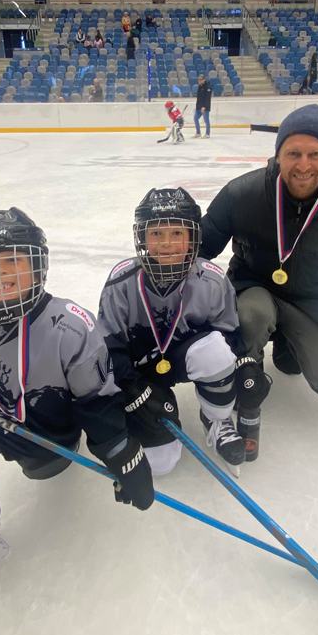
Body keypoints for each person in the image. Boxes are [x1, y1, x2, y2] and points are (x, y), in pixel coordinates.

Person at [0, 208, 154, 599]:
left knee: (45, 469)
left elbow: (97, 401)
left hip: (46, 430)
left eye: (12, 261)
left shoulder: (69, 325)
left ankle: (37, 458)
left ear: (37, 267)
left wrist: (121, 451)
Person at [199, 104, 318, 412]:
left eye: (315, 154)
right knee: (251, 314)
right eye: (293, 153)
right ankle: (244, 369)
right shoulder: (243, 194)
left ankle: (289, 343)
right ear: (278, 154)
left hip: (313, 300)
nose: (303, 164)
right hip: (252, 289)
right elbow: (204, 245)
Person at [98, 188, 268, 476]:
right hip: (141, 371)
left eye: (177, 233)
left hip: (186, 357)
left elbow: (229, 338)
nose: (167, 243)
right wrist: (135, 392)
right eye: (157, 234)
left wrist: (246, 365)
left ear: (193, 237)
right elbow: (108, 348)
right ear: (142, 238)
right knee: (159, 465)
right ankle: (154, 408)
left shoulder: (211, 280)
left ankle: (217, 419)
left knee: (214, 352)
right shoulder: (121, 282)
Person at [194, 74, 212, 138]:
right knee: (195, 118)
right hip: (199, 107)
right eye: (198, 80)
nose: (199, 81)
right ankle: (198, 133)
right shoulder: (200, 86)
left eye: (200, 80)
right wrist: (197, 106)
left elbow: (207, 98)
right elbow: (199, 98)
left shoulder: (208, 87)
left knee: (206, 120)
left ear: (204, 80)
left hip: (205, 107)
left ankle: (207, 134)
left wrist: (204, 106)